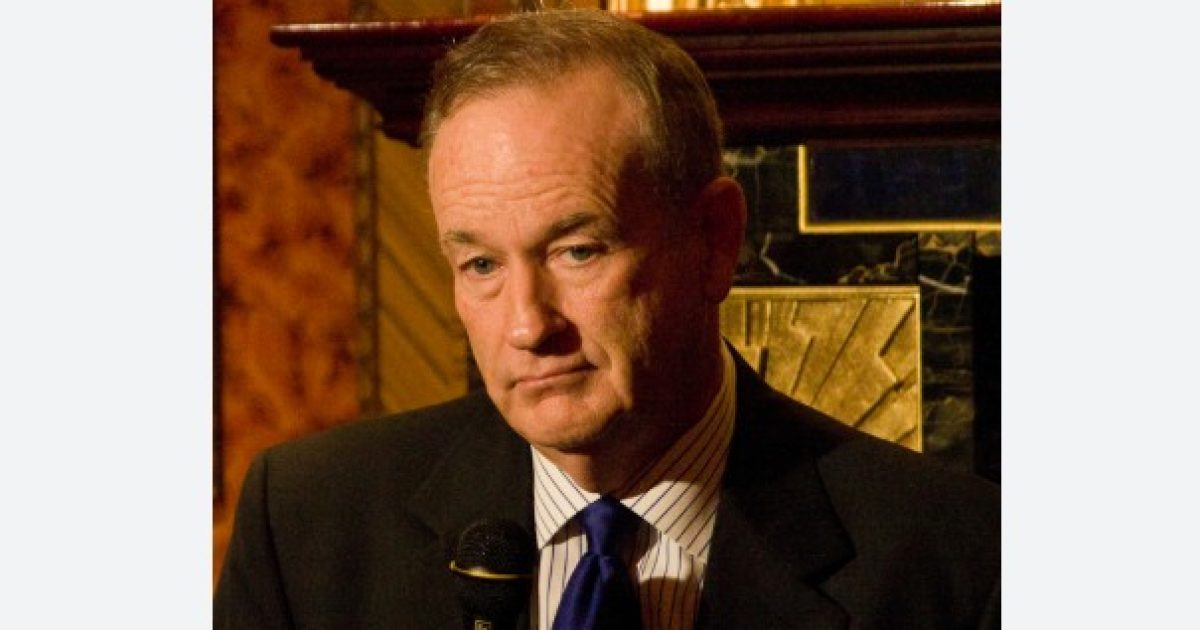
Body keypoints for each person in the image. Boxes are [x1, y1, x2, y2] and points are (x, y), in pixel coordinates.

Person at [215, 9, 999, 629]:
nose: (527, 327)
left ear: (714, 240)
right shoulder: (310, 525)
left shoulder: (954, 559)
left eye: (577, 251)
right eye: (481, 265)